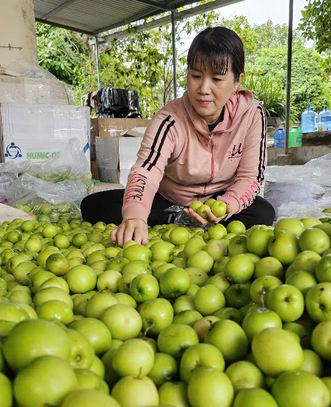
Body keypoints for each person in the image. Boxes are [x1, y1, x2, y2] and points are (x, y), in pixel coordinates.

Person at [81, 26, 275, 246]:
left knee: (263, 212)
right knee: (95, 205)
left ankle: (192, 221)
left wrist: (227, 205)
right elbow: (146, 169)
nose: (203, 88)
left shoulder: (251, 114)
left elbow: (251, 177)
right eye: (195, 76)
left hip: (217, 200)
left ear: (237, 81)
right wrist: (135, 215)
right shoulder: (169, 118)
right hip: (169, 199)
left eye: (217, 79)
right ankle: (177, 218)